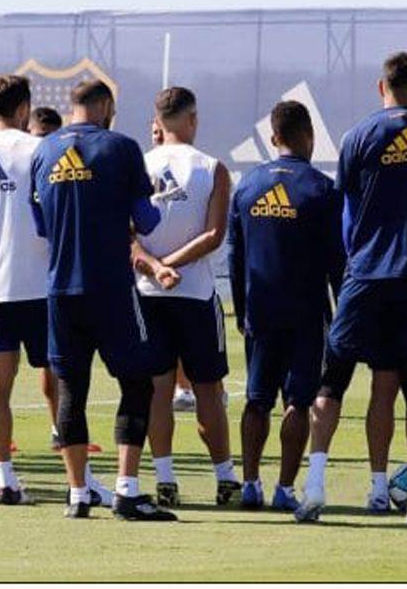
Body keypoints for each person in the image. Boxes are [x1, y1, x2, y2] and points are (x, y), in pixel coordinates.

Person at [296, 52, 407, 526]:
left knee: (334, 377)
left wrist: (361, 253)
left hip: (364, 274)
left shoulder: (358, 135)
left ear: (379, 85)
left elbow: (346, 213)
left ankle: (315, 487)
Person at [0, 74, 102, 505]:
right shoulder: (42, 149)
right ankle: (81, 480)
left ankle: (4, 478)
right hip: (44, 286)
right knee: (63, 380)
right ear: (23, 108)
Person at [30, 79, 175, 521]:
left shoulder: (44, 151)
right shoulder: (121, 147)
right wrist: (146, 199)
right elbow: (146, 221)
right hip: (111, 285)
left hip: (60, 289)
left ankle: (77, 494)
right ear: (106, 106)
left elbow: (40, 223)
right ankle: (126, 491)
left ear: (72, 107)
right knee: (138, 383)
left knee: (72, 389)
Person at [227, 100, 342, 512]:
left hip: (260, 309)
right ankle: (284, 488)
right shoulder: (322, 188)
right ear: (309, 136)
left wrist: (241, 310)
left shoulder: (248, 185)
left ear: (274, 138)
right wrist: (341, 308)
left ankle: (250, 484)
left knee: (256, 399)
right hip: (306, 312)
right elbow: (337, 259)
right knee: (299, 400)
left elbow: (234, 256)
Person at [131, 87, 237, 507]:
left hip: (147, 293)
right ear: (192, 120)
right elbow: (214, 235)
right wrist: (170, 265)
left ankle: (165, 479)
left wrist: (156, 267)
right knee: (208, 389)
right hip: (193, 293)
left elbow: (126, 235)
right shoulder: (212, 167)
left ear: (158, 121)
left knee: (158, 389)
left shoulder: (136, 165)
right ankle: (225, 478)